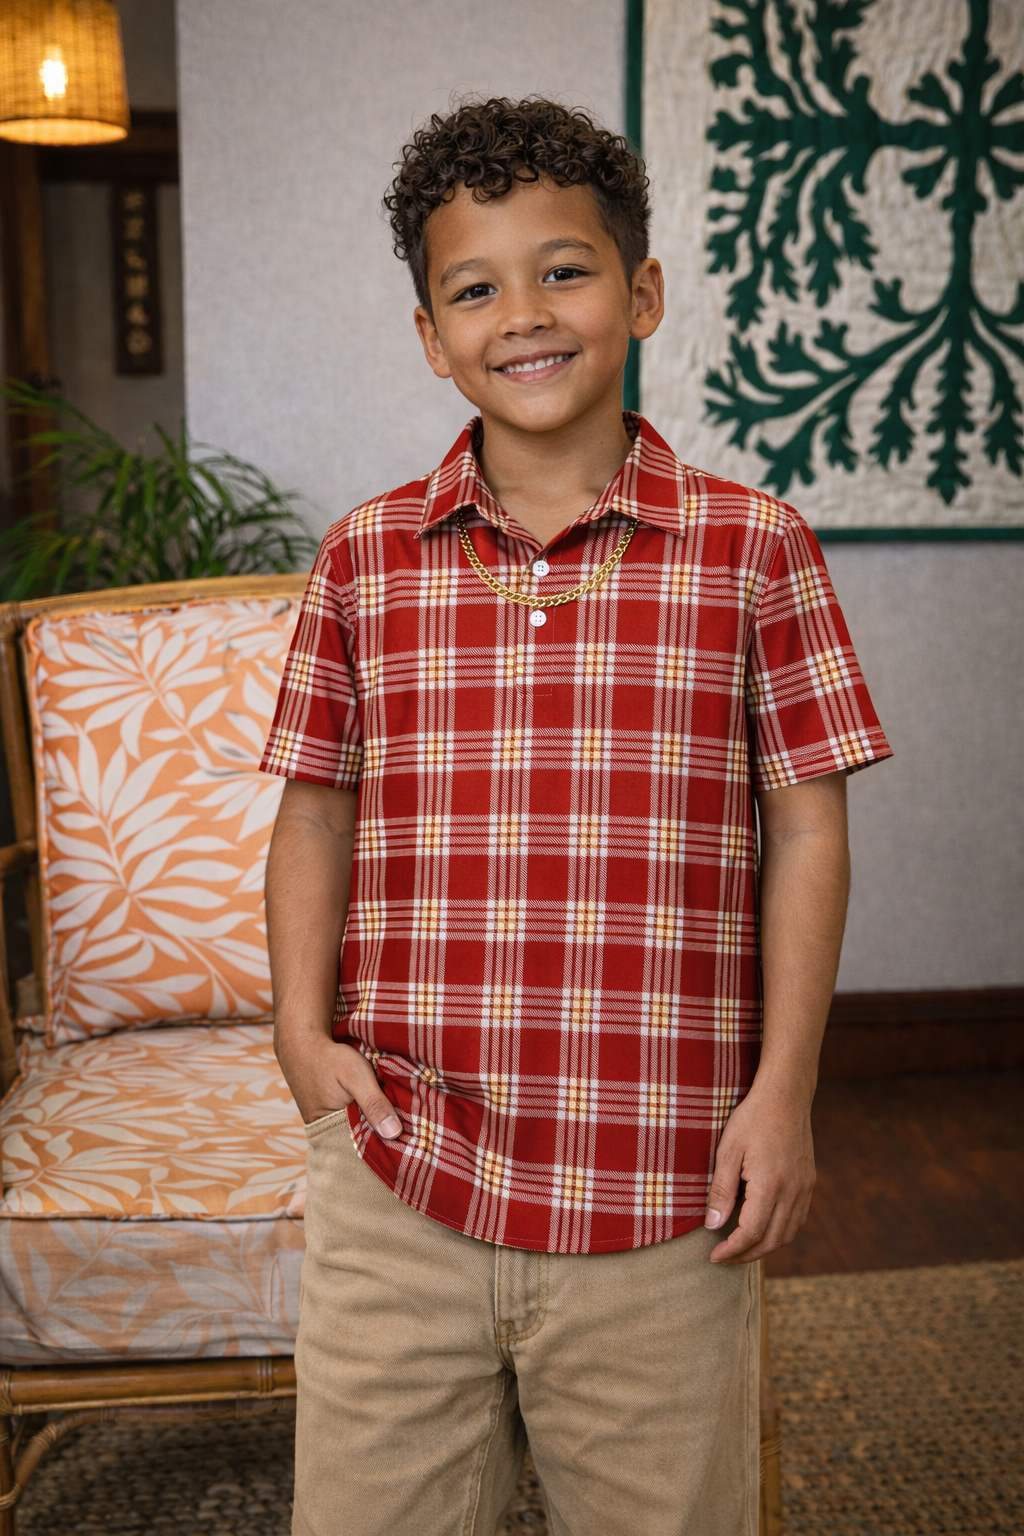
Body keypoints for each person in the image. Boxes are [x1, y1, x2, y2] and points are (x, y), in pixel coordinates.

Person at [261, 97, 891, 1536]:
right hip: (399, 1171)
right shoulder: (366, 558)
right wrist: (302, 1034)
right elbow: (316, 811)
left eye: (566, 270)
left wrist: (783, 1092)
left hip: (665, 1179)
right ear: (431, 335)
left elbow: (809, 830)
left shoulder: (755, 549)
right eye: (474, 288)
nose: (524, 315)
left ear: (643, 291)